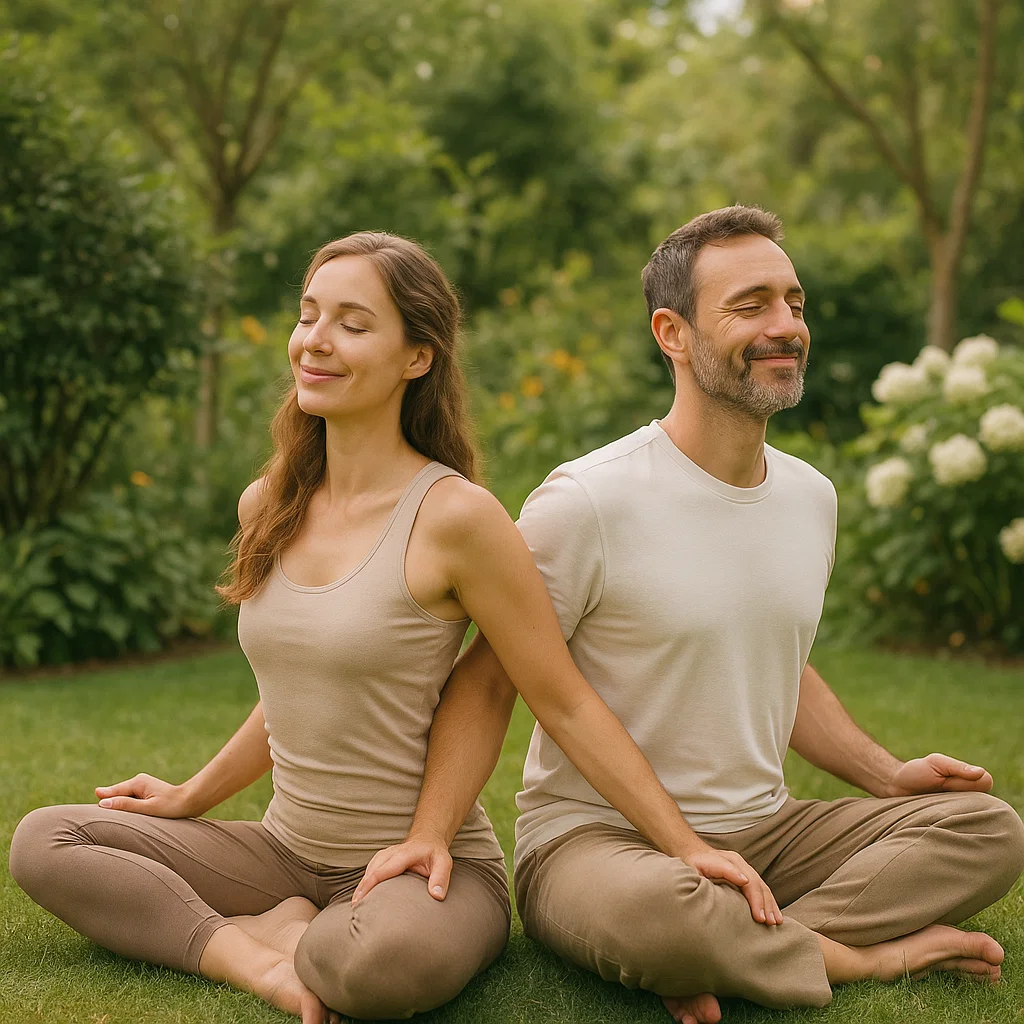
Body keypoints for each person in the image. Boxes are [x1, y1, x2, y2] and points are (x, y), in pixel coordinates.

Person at [9, 231, 780, 1024]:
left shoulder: (457, 520)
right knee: (46, 841)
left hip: (426, 869)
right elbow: (298, 687)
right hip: (282, 851)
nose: (316, 340)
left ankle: (303, 937)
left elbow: (562, 698)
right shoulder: (268, 502)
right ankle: (258, 952)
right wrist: (191, 795)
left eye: (352, 322)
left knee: (372, 968)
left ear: (418, 356)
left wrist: (685, 845)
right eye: (309, 316)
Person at [354, 207, 1024, 1024]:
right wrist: (432, 830)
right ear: (672, 333)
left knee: (989, 829)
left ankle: (734, 944)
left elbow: (774, 660)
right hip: (598, 846)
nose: (786, 327)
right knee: (659, 914)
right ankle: (849, 955)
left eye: (795, 303)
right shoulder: (587, 501)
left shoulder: (812, 498)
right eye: (751, 306)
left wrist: (886, 777)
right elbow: (492, 680)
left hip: (768, 834)